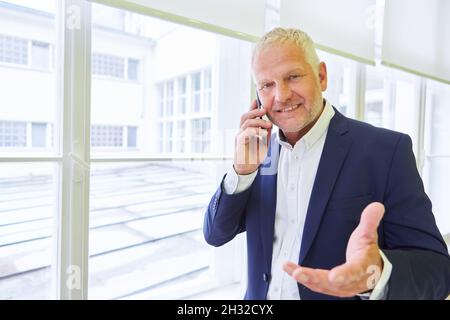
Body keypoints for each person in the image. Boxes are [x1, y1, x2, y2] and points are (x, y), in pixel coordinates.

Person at [203, 27, 450, 300]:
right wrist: (242, 170)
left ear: (322, 76)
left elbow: (437, 270)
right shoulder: (258, 153)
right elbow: (216, 234)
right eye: (267, 85)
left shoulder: (386, 151)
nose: (281, 95)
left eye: (293, 76)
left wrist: (375, 274)